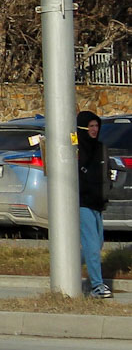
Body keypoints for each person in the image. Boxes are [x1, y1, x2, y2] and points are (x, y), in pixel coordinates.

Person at [77, 110, 112, 299]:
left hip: (98, 202)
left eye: (97, 125)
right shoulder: (76, 150)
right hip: (82, 202)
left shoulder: (101, 147)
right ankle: (97, 286)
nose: (94, 129)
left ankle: (70, 269)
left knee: (97, 243)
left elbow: (106, 171)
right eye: (90, 126)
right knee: (91, 244)